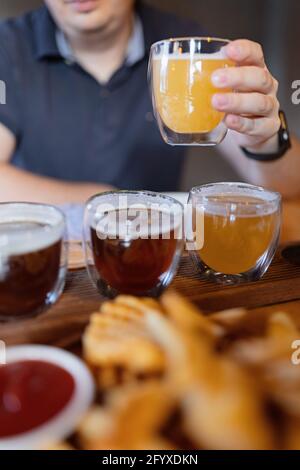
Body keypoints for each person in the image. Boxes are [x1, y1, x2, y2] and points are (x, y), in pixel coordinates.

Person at [0, 0, 298, 204]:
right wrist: (100, 201)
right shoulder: (8, 47)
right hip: (45, 255)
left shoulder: (184, 48)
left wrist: (266, 140)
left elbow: (288, 187)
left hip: (152, 255)